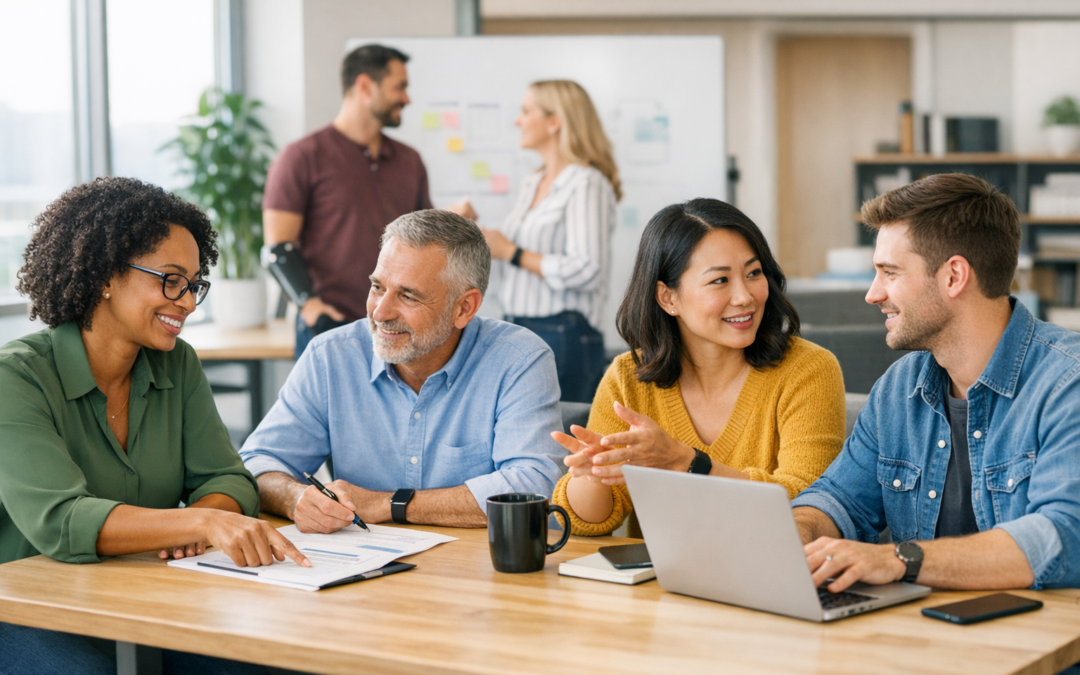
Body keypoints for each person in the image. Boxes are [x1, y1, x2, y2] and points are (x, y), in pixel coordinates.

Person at [0, 177, 308, 675]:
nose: (186, 302)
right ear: (105, 274)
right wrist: (199, 522)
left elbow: (227, 479)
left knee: (265, 662)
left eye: (192, 285)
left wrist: (205, 515)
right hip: (28, 609)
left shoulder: (176, 364)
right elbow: (59, 519)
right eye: (170, 280)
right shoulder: (15, 377)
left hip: (147, 597)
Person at [792, 173, 1080, 593]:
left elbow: (1062, 538)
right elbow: (839, 499)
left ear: (953, 276)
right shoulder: (898, 389)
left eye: (890, 272)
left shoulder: (1066, 384)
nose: (873, 294)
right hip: (925, 637)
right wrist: (798, 538)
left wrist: (897, 560)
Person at [240, 209, 566, 532]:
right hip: (360, 567)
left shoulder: (519, 359)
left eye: (408, 295)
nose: (380, 312)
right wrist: (295, 498)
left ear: (464, 307)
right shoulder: (330, 356)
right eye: (378, 287)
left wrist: (388, 504)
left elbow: (535, 486)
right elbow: (256, 464)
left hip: (475, 573)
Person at [550, 198, 846, 537]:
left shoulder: (808, 370)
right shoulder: (628, 377)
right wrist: (593, 477)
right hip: (659, 582)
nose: (745, 297)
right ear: (668, 298)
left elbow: (811, 505)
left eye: (753, 273)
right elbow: (584, 523)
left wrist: (688, 462)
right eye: (720, 281)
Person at [264, 44, 441, 357]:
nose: (406, 98)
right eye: (400, 87)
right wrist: (309, 304)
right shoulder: (301, 157)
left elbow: (422, 243)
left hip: (398, 327)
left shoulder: (409, 161)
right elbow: (278, 247)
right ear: (364, 86)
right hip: (330, 326)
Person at [457, 80, 619, 403]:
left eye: (526, 110)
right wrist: (473, 230)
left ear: (554, 121)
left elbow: (587, 269)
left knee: (557, 442)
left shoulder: (586, 183)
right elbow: (511, 250)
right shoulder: (533, 182)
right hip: (519, 328)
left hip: (564, 335)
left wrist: (513, 252)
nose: (518, 120)